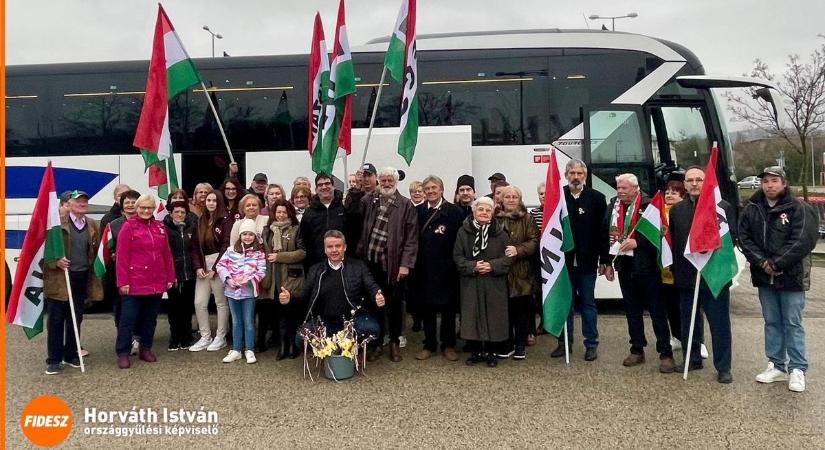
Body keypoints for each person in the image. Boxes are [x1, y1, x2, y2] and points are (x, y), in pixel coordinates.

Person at [739, 166, 818, 392]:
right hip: (764, 277)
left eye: (774, 180)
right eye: (766, 181)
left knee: (792, 323)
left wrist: (777, 263)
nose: (770, 185)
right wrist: (763, 262)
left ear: (784, 183)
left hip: (791, 277)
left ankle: (797, 368)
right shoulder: (752, 208)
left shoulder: (799, 208)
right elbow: (743, 237)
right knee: (771, 322)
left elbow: (803, 239)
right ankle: (776, 365)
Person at [669, 166, 736, 383]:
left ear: (706, 182)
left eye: (699, 179)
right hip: (687, 277)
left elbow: (730, 241)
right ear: (685, 184)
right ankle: (693, 359)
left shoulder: (722, 208)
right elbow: (676, 244)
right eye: (690, 180)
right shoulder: (677, 210)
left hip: (714, 276)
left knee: (719, 324)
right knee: (689, 322)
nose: (695, 184)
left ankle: (723, 366)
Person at [606, 173, 675, 373]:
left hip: (648, 268)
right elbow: (605, 235)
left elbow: (660, 233)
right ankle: (637, 349)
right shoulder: (613, 207)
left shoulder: (649, 207)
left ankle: (665, 353)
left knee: (656, 311)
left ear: (636, 189)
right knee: (632, 311)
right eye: (618, 188)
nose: (620, 191)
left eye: (624, 188)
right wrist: (606, 262)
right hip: (624, 267)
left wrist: (638, 242)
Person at [356, 166, 418, 363]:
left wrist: (405, 264)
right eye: (383, 180)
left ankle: (393, 342)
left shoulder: (406, 205)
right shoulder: (370, 201)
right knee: (376, 304)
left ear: (396, 182)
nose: (386, 184)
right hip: (371, 263)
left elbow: (411, 238)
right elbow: (354, 208)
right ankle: (377, 342)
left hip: (394, 264)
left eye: (390, 180)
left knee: (394, 304)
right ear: (378, 182)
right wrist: (358, 183)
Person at [279, 230, 384, 340]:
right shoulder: (315, 270)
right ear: (325, 249)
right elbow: (303, 295)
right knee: (301, 339)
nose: (334, 250)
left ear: (345, 247)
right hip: (325, 321)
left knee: (370, 328)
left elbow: (371, 285)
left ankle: (356, 351)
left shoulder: (358, 266)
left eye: (338, 246)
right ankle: (324, 354)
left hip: (354, 319)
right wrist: (290, 298)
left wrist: (376, 295)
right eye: (330, 247)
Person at [43, 190, 103, 375]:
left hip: (80, 277)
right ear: (68, 204)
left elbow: (95, 252)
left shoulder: (92, 225)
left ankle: (70, 354)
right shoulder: (56, 226)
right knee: (56, 320)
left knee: (75, 318)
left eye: (85, 200)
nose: (82, 204)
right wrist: (56, 261)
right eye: (78, 201)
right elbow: (42, 251)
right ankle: (53, 359)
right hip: (60, 279)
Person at [554, 160, 609, 361]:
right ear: (566, 174)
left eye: (579, 173)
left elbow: (603, 232)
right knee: (564, 304)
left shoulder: (596, 198)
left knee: (587, 303)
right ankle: (564, 343)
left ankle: (591, 344)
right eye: (572, 173)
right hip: (563, 262)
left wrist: (605, 259)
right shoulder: (557, 196)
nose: (575, 177)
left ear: (584, 175)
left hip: (587, 262)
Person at [114, 194, 177, 369]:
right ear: (137, 208)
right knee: (128, 319)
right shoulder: (128, 227)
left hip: (156, 282)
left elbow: (167, 255)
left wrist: (170, 277)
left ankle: (145, 348)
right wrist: (123, 282)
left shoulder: (159, 227)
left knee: (150, 319)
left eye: (149, 208)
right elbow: (121, 257)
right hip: (134, 284)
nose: (146, 211)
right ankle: (123, 353)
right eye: (142, 207)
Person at [453, 197, 513, 367]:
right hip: (471, 281)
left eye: (488, 210)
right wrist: (473, 266)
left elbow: (509, 257)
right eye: (481, 210)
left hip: (494, 282)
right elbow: (457, 256)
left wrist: (492, 266)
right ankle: (476, 350)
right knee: (472, 314)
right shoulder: (463, 232)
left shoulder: (501, 233)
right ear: (474, 212)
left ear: (492, 213)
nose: (484, 213)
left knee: (493, 316)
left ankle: (492, 352)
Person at [411, 175, 465, 362]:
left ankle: (449, 345)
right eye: (427, 189)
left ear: (441, 189)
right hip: (423, 268)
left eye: (434, 188)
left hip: (447, 269)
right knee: (427, 309)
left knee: (448, 309)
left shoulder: (454, 212)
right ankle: (429, 344)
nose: (431, 191)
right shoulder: (417, 212)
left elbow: (460, 241)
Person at [495, 186, 539, 360]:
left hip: (522, 273)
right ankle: (507, 343)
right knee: (504, 311)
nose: (511, 200)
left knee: (522, 311)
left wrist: (518, 250)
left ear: (519, 199)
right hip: (501, 273)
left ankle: (520, 345)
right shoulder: (495, 218)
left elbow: (534, 241)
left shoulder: (527, 218)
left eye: (515, 197)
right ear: (502, 200)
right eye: (508, 197)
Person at [260, 199, 306, 359]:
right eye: (278, 212)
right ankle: (282, 345)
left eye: (284, 212)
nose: (280, 215)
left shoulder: (296, 229)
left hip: (291, 276)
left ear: (289, 213)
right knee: (279, 313)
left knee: (291, 311)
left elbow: (302, 253)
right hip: (273, 276)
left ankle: (293, 344)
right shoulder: (268, 231)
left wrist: (279, 256)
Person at [216, 219, 267, 364]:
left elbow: (262, 270)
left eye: (250, 234)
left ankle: (249, 349)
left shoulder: (258, 253)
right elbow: (221, 266)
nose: (247, 237)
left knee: (248, 321)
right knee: (236, 321)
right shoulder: (231, 250)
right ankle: (236, 350)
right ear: (240, 235)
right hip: (232, 292)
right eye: (244, 234)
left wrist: (249, 280)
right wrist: (228, 279)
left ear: (255, 236)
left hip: (248, 293)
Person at [189, 191, 233, 352]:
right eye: (208, 200)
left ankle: (220, 336)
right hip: (203, 264)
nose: (211, 203)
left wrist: (216, 268)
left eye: (214, 200)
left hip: (219, 265)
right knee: (199, 302)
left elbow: (226, 245)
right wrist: (198, 267)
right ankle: (205, 336)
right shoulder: (200, 220)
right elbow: (194, 246)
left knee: (221, 302)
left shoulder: (225, 220)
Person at [163, 201, 197, 351]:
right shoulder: (164, 229)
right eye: (176, 212)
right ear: (171, 213)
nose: (180, 215)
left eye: (183, 212)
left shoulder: (192, 227)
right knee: (174, 307)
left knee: (187, 307)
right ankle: (174, 337)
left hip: (189, 273)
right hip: (173, 274)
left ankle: (187, 336)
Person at [300, 173, 349, 268]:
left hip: (343, 263)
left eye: (327, 183)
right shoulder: (309, 213)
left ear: (333, 186)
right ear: (316, 189)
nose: (324, 187)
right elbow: (304, 239)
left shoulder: (344, 208)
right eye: (320, 185)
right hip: (317, 263)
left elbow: (351, 235)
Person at [661, 180, 686, 352]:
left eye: (674, 193)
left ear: (682, 197)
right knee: (670, 305)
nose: (669, 195)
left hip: (682, 268)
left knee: (686, 305)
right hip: (664, 270)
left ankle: (695, 341)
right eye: (667, 192)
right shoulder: (658, 213)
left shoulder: (686, 213)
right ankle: (676, 336)